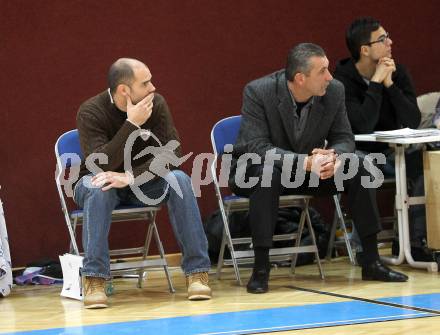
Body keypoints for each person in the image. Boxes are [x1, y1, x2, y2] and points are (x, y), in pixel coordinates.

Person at [229, 43, 408, 294]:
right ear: (300, 78)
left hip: (310, 170)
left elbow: (345, 138)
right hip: (257, 169)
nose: (330, 76)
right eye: (322, 71)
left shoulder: (334, 91)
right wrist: (305, 162)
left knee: (359, 165)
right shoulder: (259, 91)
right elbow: (257, 147)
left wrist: (335, 157)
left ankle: (371, 260)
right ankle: (261, 268)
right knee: (267, 175)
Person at [74, 58, 212, 308]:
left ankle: (197, 273)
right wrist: (131, 124)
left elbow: (173, 152)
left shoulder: (155, 104)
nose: (153, 88)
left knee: (179, 179)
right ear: (124, 90)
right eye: (145, 83)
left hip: (141, 181)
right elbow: (100, 165)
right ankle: (94, 278)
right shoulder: (90, 111)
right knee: (99, 186)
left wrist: (132, 176)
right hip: (97, 179)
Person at [334, 17, 425, 255]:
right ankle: (367, 247)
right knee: (362, 164)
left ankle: (413, 242)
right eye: (383, 39)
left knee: (428, 161)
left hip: (393, 153)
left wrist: (390, 85)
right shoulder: (341, 80)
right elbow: (362, 126)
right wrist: (376, 83)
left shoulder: (396, 71)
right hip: (358, 155)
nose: (390, 43)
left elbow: (413, 120)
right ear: (365, 50)